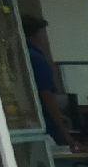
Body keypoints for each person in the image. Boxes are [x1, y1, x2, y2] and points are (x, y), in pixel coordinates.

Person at [22, 15, 73, 146]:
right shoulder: (36, 58)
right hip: (45, 126)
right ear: (37, 35)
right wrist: (64, 132)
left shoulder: (21, 55)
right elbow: (47, 96)